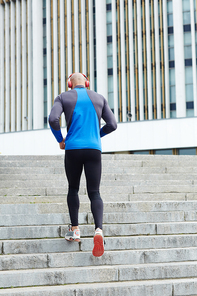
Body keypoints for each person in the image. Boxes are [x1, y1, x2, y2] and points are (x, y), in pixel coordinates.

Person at [48, 72, 117, 257]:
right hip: (94, 149)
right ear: (87, 82)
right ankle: (98, 230)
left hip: (73, 149)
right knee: (95, 192)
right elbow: (112, 124)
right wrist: (96, 134)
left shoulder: (63, 97)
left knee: (73, 189)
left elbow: (53, 119)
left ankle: (76, 230)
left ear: (70, 83)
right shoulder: (99, 98)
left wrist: (60, 139)